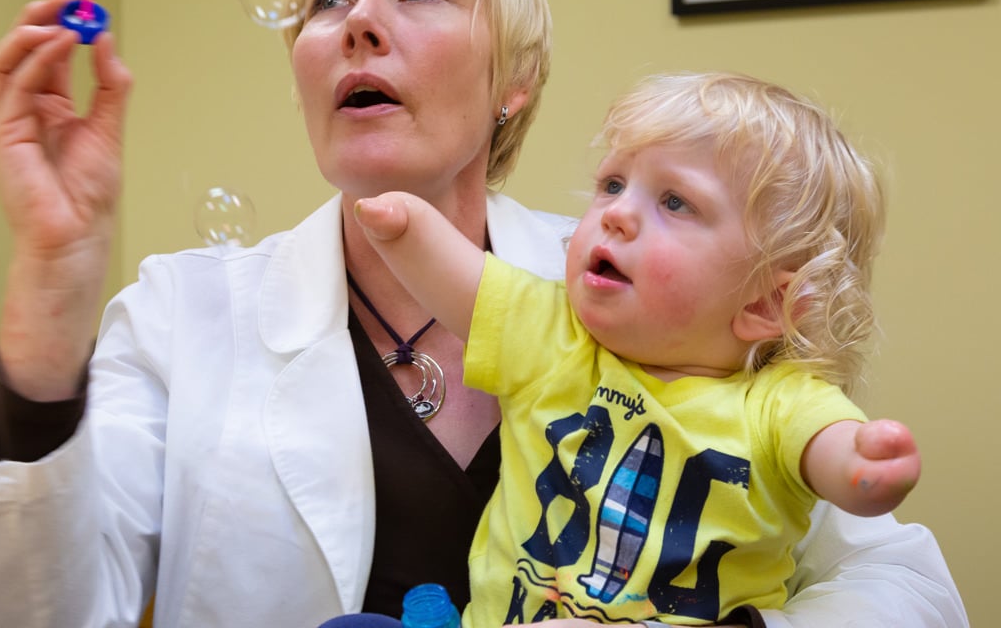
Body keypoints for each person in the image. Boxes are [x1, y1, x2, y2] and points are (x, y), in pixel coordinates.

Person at [0, 0, 968, 628]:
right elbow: (19, 615)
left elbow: (907, 587)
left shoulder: (663, 293)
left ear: (514, 78)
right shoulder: (183, 311)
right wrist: (56, 264)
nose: (359, 25)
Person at [346, 71, 920, 626]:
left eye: (676, 203)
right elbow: (464, 286)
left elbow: (833, 450)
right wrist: (405, 225)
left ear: (764, 306)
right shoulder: (555, 337)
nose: (616, 214)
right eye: (613, 184)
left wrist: (861, 466)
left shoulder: (779, 404)